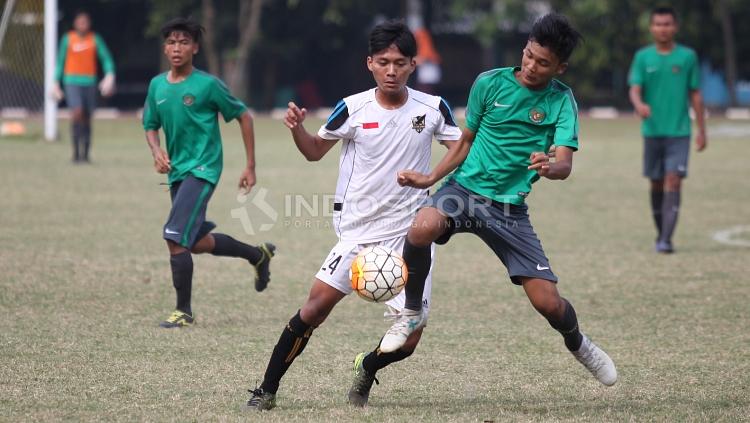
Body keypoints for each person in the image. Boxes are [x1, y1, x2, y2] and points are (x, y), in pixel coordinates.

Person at [377, 13, 618, 387]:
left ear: (560, 68)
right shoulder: (489, 83)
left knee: (548, 304)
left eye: (543, 63)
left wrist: (549, 166)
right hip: (463, 192)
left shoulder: (560, 101)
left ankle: (579, 343)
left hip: (507, 210)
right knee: (422, 227)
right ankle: (410, 312)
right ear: (524, 49)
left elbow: (565, 164)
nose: (532, 66)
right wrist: (430, 179)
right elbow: (465, 141)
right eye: (529, 55)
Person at [244, 20, 461, 411]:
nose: (391, 70)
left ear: (414, 64)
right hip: (358, 233)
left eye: (399, 62)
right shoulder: (353, 107)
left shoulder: (432, 109)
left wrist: (439, 185)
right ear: (370, 63)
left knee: (409, 340)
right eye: (383, 62)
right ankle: (266, 390)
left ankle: (368, 365)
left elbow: (460, 151)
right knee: (313, 309)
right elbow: (313, 151)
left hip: (410, 236)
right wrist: (297, 129)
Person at [141, 18, 275, 329]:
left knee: (174, 237)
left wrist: (250, 165)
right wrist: (156, 150)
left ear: (195, 48)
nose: (177, 48)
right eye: (172, 42)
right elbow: (150, 125)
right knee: (195, 242)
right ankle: (257, 255)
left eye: (184, 42)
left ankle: (183, 312)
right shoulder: (157, 85)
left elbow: (244, 117)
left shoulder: (208, 85)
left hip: (203, 169)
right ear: (165, 48)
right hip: (177, 172)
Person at [628, 6, 707, 254]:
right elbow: (634, 88)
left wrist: (702, 129)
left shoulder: (687, 57)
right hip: (652, 131)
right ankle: (661, 233)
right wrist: (639, 105)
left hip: (679, 131)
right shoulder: (643, 57)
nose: (663, 28)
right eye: (658, 24)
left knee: (674, 179)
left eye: (667, 24)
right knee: (656, 183)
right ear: (651, 28)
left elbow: (695, 93)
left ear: (675, 27)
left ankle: (665, 239)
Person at [53, 11, 115, 163]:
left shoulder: (94, 39)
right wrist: (56, 82)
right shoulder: (68, 39)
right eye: (80, 22)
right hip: (72, 81)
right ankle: (75, 153)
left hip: (90, 82)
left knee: (87, 116)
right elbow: (60, 62)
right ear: (75, 24)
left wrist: (110, 75)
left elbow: (106, 59)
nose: (83, 25)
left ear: (89, 24)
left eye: (85, 22)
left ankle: (85, 154)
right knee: (77, 112)